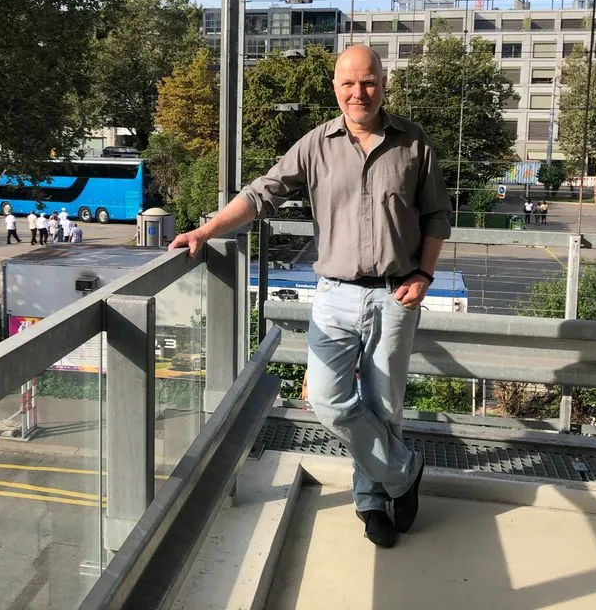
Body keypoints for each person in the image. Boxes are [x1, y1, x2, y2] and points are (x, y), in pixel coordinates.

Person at [169, 44, 450, 549]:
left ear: (383, 84)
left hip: (395, 295)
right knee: (325, 398)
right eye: (348, 83)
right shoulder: (316, 144)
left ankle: (372, 503)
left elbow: (436, 216)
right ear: (335, 88)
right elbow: (260, 193)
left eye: (368, 82)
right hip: (335, 298)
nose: (358, 92)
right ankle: (404, 472)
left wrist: (425, 275)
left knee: (383, 409)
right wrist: (206, 230)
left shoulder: (414, 142)